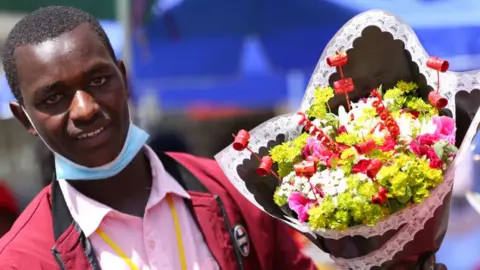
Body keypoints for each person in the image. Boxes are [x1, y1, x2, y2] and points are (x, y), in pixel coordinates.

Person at [0, 6, 316, 270]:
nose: (85, 109)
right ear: (25, 117)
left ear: (123, 79)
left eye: (98, 80)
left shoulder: (234, 190)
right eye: (54, 98)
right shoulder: (22, 259)